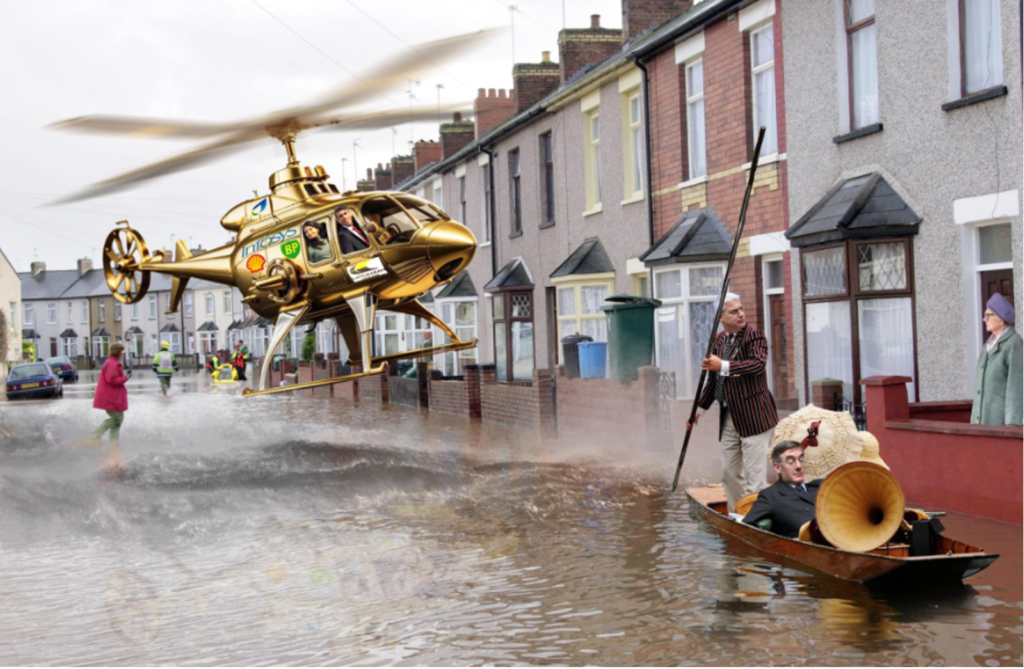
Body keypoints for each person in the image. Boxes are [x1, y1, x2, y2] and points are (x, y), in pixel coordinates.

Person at [687, 293, 779, 512]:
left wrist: (724, 366)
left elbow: (756, 365)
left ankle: (755, 520)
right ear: (721, 317)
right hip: (729, 417)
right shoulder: (718, 341)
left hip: (755, 417)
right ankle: (739, 514)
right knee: (728, 474)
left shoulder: (754, 336)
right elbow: (714, 380)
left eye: (741, 309)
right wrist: (698, 409)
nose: (740, 314)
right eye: (733, 311)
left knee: (754, 478)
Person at [742, 441, 823, 538]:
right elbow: (746, 529)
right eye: (791, 462)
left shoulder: (821, 486)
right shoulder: (770, 496)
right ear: (777, 467)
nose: (798, 466)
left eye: (801, 460)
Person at [972, 293, 1024, 426]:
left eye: (988, 315)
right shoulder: (988, 345)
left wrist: (1012, 426)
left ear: (1001, 319)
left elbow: (1016, 387)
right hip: (982, 424)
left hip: (999, 425)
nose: (984, 319)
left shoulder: (1015, 344)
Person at [91, 342, 130, 461]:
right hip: (110, 396)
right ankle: (96, 435)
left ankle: (114, 444)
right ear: (117, 351)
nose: (123, 353)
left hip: (113, 395)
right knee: (116, 418)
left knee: (118, 420)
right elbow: (111, 380)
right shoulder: (113, 363)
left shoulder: (113, 362)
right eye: (122, 350)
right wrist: (126, 377)